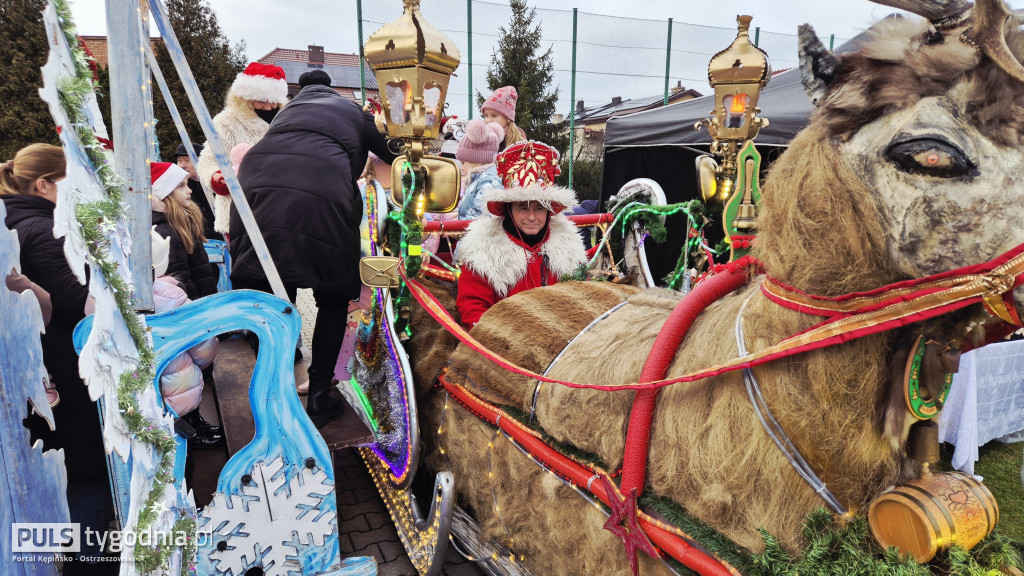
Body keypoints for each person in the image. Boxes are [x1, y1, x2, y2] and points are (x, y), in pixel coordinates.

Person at [229, 68, 398, 428]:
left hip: (256, 193)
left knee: (274, 297)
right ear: (331, 88)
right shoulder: (351, 110)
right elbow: (392, 149)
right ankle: (320, 394)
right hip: (324, 193)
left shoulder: (285, 115)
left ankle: (273, 396)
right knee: (333, 297)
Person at [2, 143, 119, 575]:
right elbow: (75, 303)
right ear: (44, 184)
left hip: (39, 376)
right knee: (84, 468)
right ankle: (91, 564)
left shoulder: (14, 222)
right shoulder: (42, 230)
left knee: (64, 467)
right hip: (63, 371)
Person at [456, 141, 587, 329]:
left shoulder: (569, 248)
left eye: (539, 208)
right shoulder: (484, 251)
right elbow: (473, 309)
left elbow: (581, 299)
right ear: (509, 210)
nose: (532, 217)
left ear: (549, 210)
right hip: (505, 345)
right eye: (523, 208)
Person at [196, 62, 288, 236]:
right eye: (262, 101)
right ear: (246, 98)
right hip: (239, 212)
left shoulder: (286, 119)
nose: (269, 107)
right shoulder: (227, 121)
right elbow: (207, 160)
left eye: (274, 102)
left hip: (280, 209)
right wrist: (217, 178)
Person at [150, 162, 219, 300]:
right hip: (192, 310)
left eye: (187, 184)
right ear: (165, 193)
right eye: (181, 186)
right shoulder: (166, 231)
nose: (189, 190)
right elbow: (181, 279)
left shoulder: (181, 222)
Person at [456, 118, 505, 221]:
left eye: (463, 162)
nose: (462, 167)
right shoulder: (480, 180)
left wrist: (455, 226)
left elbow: (485, 220)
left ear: (475, 161)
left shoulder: (488, 182)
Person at [171, 143, 221, 241]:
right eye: (179, 161)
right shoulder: (176, 188)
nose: (182, 165)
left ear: (201, 161)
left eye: (187, 160)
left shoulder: (218, 182)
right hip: (196, 243)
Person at [481, 86, 528, 151]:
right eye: (486, 116)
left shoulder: (518, 140)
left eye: (494, 116)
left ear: (508, 118)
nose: (489, 120)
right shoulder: (483, 137)